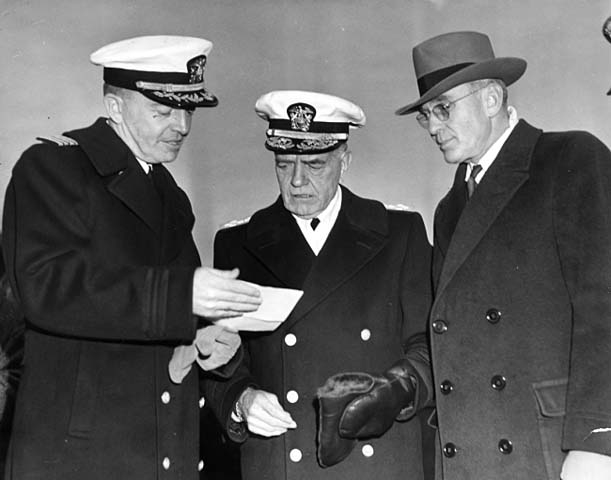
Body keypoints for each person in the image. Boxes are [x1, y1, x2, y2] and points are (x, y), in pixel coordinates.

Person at [1, 35, 262, 480]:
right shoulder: (53, 169)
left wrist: (199, 343)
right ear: (115, 108)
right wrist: (183, 296)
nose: (181, 125)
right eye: (162, 111)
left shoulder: (170, 196)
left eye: (188, 110)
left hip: (162, 450)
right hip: (79, 459)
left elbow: (154, 318)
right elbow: (47, 288)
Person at [395, 30, 611, 480]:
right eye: (425, 116)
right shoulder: (448, 209)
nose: (433, 127)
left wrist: (597, 445)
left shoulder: (570, 158)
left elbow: (604, 309)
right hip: (470, 454)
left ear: (491, 98)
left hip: (553, 452)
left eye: (443, 108)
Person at [202, 90, 434, 479]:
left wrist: (395, 391)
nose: (296, 181)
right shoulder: (237, 244)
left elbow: (428, 343)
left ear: (344, 162)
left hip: (379, 458)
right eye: (283, 164)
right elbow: (218, 359)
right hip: (280, 458)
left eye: (314, 164)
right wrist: (240, 400)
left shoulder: (399, 234)